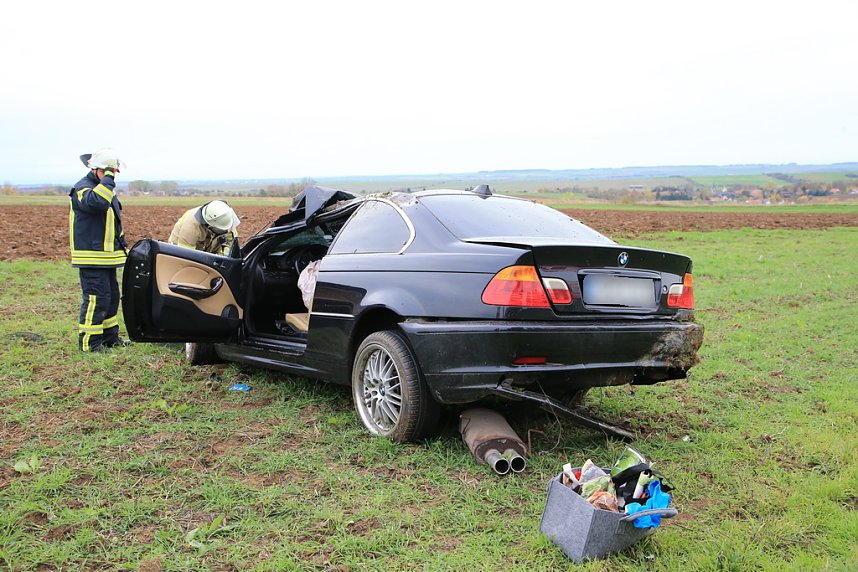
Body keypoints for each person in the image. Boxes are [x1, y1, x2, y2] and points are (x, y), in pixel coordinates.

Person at [69, 148, 128, 352]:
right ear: (95, 170)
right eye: (107, 172)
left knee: (110, 298)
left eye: (113, 173)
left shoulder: (104, 189)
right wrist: (108, 180)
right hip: (91, 258)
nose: (111, 177)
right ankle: (89, 344)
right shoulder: (82, 189)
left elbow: (113, 222)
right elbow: (97, 205)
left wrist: (122, 244)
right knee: (96, 299)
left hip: (107, 258)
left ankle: (110, 338)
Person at [168, 200, 240, 254]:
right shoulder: (191, 226)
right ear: (209, 225)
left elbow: (230, 244)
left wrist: (222, 258)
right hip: (182, 248)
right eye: (220, 230)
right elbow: (185, 254)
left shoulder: (226, 220)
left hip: (210, 248)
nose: (225, 231)